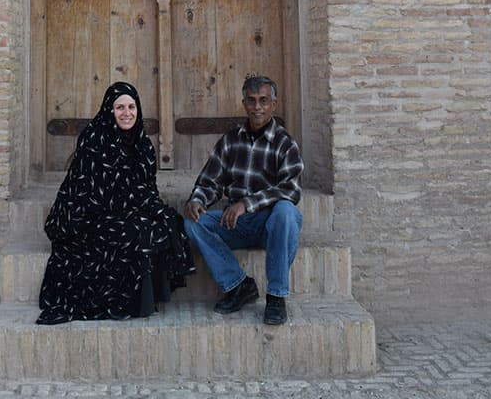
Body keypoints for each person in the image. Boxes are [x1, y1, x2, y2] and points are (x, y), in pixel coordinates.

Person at [36, 81, 195, 325]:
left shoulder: (142, 144)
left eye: (132, 107)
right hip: (87, 215)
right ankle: (130, 303)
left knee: (166, 222)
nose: (127, 113)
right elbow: (92, 193)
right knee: (134, 231)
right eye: (120, 107)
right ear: (109, 110)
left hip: (125, 208)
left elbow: (146, 188)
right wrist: (136, 207)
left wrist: (153, 208)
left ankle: (151, 298)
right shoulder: (93, 138)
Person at [183, 75, 303, 325]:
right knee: (193, 223)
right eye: (251, 100)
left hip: (270, 224)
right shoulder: (231, 140)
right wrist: (197, 200)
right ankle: (239, 285)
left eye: (263, 100)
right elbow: (210, 181)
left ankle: (276, 296)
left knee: (286, 211)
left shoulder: (285, 143)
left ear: (274, 105)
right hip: (236, 223)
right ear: (244, 103)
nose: (257, 107)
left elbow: (291, 190)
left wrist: (248, 203)